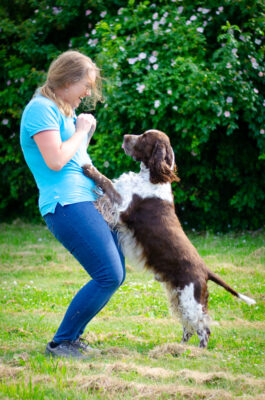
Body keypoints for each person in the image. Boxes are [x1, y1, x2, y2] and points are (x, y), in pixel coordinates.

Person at [20, 50, 125, 359]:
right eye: (86, 85)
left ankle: (71, 339)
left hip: (87, 199)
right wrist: (80, 130)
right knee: (108, 273)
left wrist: (83, 135)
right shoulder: (41, 109)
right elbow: (55, 161)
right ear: (68, 80)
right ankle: (60, 342)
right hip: (65, 203)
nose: (89, 92)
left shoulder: (62, 111)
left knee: (114, 274)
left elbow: (74, 158)